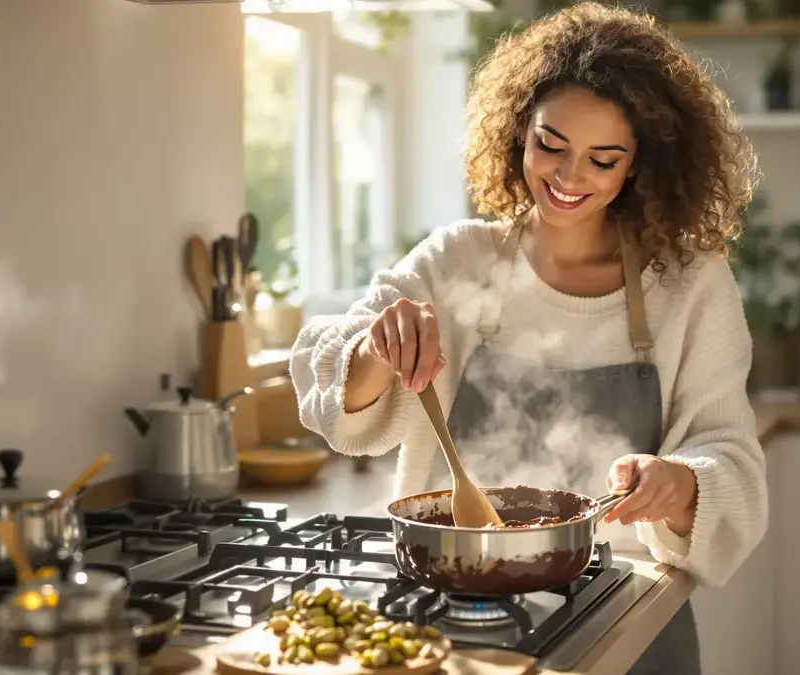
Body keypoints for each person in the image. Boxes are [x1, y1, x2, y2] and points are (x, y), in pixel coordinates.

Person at [291, 3, 766, 672]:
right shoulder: (456, 260)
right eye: (551, 145)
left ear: (638, 164)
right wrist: (374, 346)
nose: (569, 177)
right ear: (519, 130)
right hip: (452, 623)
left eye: (603, 159)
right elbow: (322, 366)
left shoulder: (690, 284)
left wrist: (679, 483)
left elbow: (732, 459)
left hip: (629, 621)